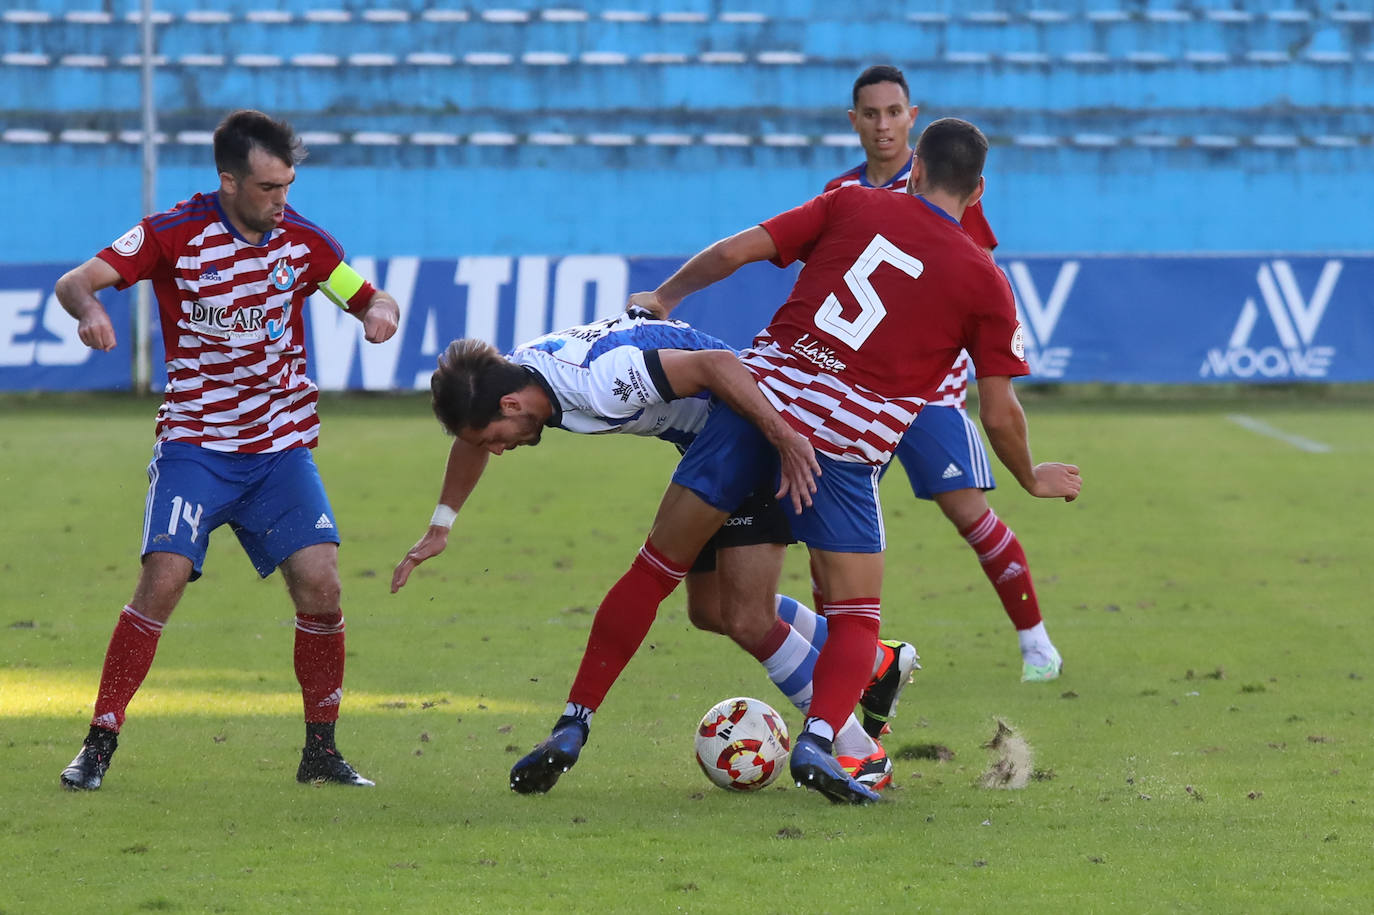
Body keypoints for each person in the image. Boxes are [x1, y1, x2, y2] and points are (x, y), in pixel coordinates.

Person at [509, 118, 1082, 804]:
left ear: (916, 169)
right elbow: (997, 411)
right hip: (841, 446)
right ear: (979, 189)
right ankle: (818, 741)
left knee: (656, 567)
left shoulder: (852, 201)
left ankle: (575, 721)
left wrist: (667, 295)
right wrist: (1029, 474)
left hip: (758, 408)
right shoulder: (985, 281)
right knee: (856, 612)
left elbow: (734, 252)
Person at [389, 311, 914, 788]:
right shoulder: (515, 373)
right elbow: (470, 434)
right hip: (711, 442)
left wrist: (781, 437)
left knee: (743, 614)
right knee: (709, 610)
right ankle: (874, 661)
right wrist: (442, 524)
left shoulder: (600, 383)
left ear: (510, 404)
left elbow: (716, 362)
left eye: (496, 437)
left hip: (749, 430)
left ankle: (855, 750)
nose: (498, 449)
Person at [54, 109, 400, 790]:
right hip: (198, 446)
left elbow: (365, 296)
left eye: (288, 185)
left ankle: (321, 752)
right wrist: (91, 311)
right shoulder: (171, 235)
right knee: (163, 579)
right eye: (270, 187)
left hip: (279, 451)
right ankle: (98, 741)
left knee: (323, 586)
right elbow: (77, 282)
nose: (283, 199)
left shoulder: (303, 243)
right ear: (230, 181)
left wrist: (379, 313)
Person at [826, 64, 1063, 683]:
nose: (883, 124)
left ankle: (1036, 641)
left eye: (894, 112)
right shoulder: (842, 192)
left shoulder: (942, 181)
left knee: (970, 516)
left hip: (927, 393)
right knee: (829, 530)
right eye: (871, 114)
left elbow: (975, 270)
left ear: (911, 116)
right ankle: (840, 657)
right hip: (849, 391)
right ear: (854, 121)